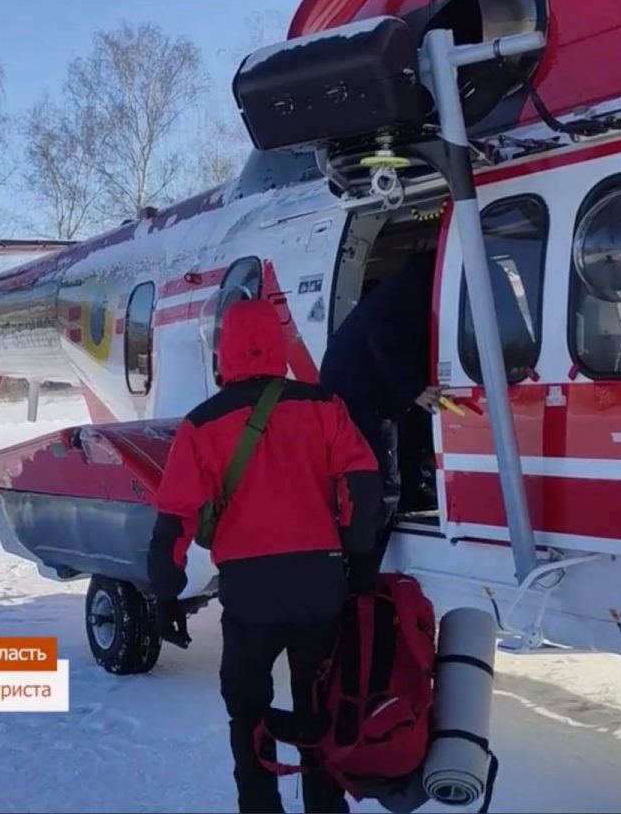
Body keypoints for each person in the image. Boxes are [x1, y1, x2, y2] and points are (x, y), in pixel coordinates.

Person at [147, 298, 383, 814]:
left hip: (250, 595)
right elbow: (364, 489)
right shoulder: (325, 407)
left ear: (224, 351)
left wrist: (165, 597)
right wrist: (358, 566)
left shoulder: (201, 424)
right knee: (319, 710)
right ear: (278, 343)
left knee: (247, 715)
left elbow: (173, 522)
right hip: (320, 588)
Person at [318, 254, 441, 590]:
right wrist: (413, 389)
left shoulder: (396, 293)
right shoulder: (411, 296)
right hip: (363, 400)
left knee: (373, 474)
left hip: (354, 396)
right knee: (381, 482)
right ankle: (362, 568)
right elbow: (382, 342)